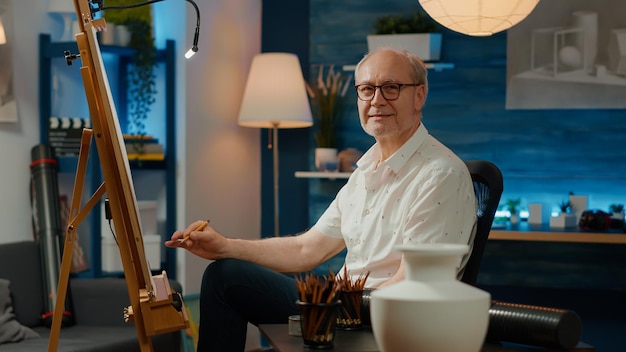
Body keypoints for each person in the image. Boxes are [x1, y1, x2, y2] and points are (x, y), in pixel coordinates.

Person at [166, 48, 477, 351]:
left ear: (419, 95)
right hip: (340, 306)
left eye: (391, 88)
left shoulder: (440, 175)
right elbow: (306, 248)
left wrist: (329, 309)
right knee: (225, 274)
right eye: (367, 89)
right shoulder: (366, 171)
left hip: (377, 320)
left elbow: (412, 284)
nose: (377, 100)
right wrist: (226, 246)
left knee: (227, 279)